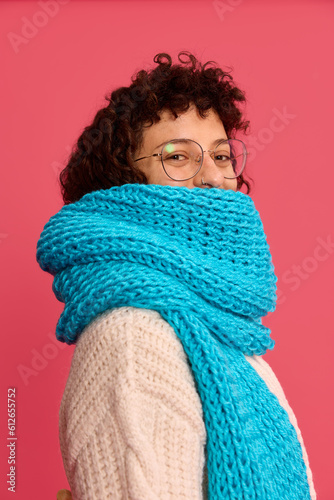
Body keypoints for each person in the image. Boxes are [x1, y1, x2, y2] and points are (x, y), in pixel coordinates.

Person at [36, 52, 316, 499]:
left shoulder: (229, 340)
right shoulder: (131, 338)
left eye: (222, 156)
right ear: (124, 185)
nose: (213, 177)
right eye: (179, 156)